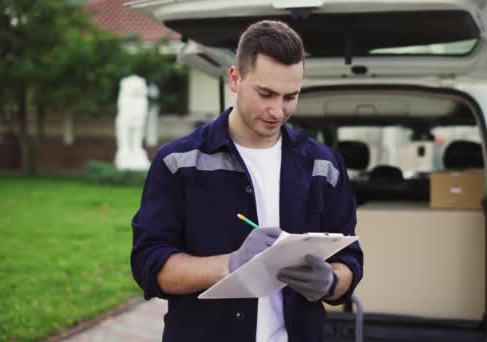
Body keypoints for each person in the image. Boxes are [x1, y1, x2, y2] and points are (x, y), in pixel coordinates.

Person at [130, 20, 363, 342]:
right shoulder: (179, 162)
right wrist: (232, 264)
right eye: (266, 93)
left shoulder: (324, 165)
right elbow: (149, 265)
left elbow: (350, 258)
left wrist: (332, 282)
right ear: (235, 78)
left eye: (290, 97)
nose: (277, 111)